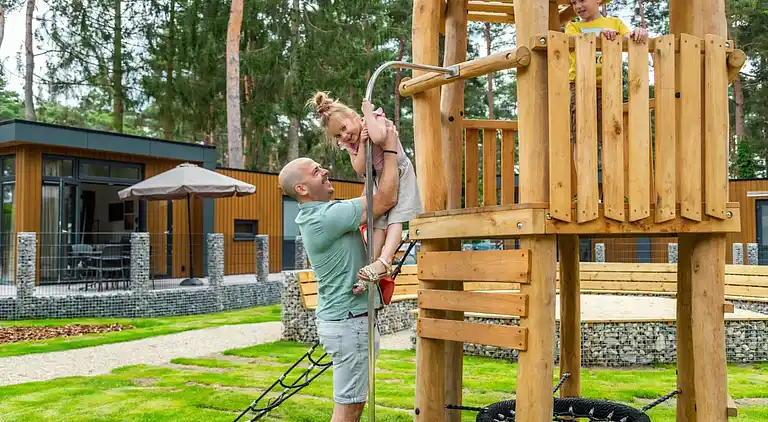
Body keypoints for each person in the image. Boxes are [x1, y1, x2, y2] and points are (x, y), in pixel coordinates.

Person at [277, 101, 400, 422]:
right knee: (350, 408)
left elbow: (371, 199)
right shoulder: (327, 217)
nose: (325, 170)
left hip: (348, 320)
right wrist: (390, 150)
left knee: (353, 403)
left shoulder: (322, 215)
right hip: (349, 322)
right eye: (316, 171)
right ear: (302, 188)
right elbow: (385, 198)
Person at [309, 91, 423, 294]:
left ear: (354, 116)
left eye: (344, 128)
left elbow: (380, 136)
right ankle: (371, 268)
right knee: (376, 223)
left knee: (395, 219)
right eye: (338, 135)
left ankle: (385, 259)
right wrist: (360, 143)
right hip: (378, 179)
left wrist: (368, 113)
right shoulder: (352, 143)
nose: (344, 136)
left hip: (400, 172)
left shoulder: (374, 119)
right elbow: (360, 167)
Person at [566, 0, 648, 200]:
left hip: (609, 86)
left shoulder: (615, 23)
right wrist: (599, 36)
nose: (578, 6)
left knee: (611, 136)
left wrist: (639, 33)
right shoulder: (573, 26)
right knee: (581, 138)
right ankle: (586, 190)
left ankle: (614, 192)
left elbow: (629, 38)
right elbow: (572, 41)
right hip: (579, 86)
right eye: (573, 2)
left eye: (582, 0)